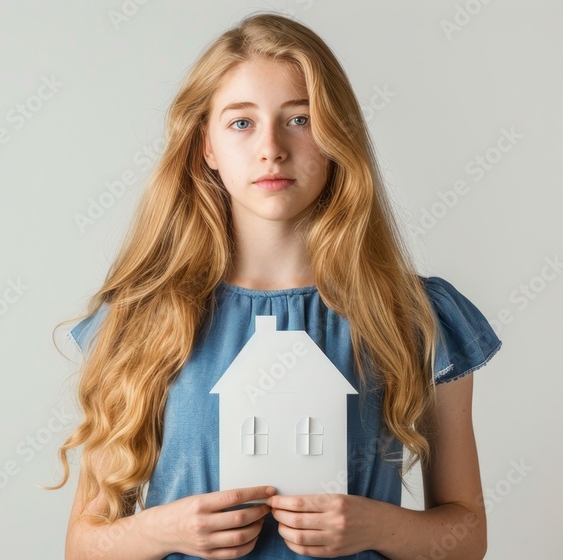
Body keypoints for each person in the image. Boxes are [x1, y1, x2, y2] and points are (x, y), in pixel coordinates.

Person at [46, 11, 502, 560]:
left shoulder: (414, 315)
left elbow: (466, 536)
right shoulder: (143, 314)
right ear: (206, 148)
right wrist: (161, 531)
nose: (272, 148)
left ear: (337, 137)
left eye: (300, 119)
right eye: (241, 122)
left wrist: (378, 527)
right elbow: (83, 544)